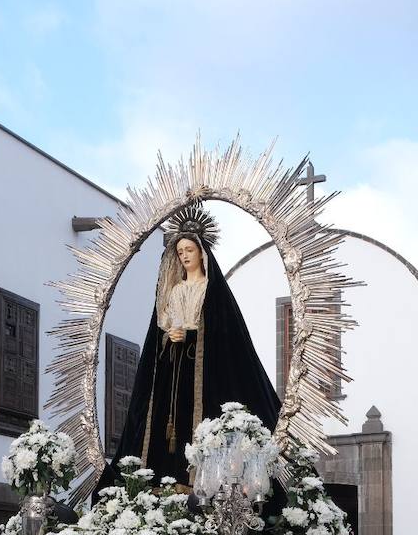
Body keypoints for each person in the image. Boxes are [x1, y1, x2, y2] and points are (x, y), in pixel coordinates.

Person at [97, 203, 281, 490]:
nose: (184, 256)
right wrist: (169, 336)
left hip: (204, 372)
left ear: (202, 253)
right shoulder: (175, 291)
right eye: (180, 252)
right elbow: (158, 334)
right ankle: (162, 482)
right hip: (173, 370)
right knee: (163, 426)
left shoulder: (212, 290)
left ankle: (204, 484)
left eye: (189, 251)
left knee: (199, 424)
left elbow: (226, 338)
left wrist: (192, 336)